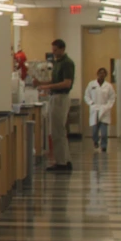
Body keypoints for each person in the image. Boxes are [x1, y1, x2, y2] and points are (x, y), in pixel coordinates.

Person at [37, 39, 75, 172]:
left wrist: (47, 86)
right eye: (52, 50)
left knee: (57, 131)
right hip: (55, 97)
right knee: (59, 131)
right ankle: (65, 159)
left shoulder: (67, 63)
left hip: (61, 98)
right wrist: (40, 83)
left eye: (55, 50)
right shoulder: (57, 63)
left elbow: (66, 83)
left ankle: (61, 163)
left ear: (62, 49)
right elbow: (54, 80)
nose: (53, 53)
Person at [84, 67, 116, 152]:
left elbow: (112, 98)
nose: (102, 74)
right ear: (97, 74)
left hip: (104, 110)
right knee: (94, 131)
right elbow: (86, 96)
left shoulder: (108, 86)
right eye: (100, 73)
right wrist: (91, 103)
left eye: (103, 73)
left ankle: (104, 146)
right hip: (94, 109)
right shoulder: (91, 84)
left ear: (105, 75)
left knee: (104, 133)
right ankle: (95, 141)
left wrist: (107, 106)